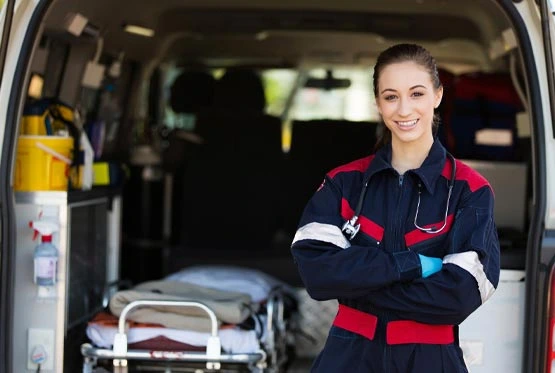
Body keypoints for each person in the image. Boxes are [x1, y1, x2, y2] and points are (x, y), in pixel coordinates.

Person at [290, 43, 500, 372]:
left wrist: (358, 286)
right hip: (348, 357)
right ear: (378, 103)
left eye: (416, 94)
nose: (404, 110)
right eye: (391, 96)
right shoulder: (342, 183)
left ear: (437, 96)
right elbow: (317, 275)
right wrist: (411, 265)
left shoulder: (470, 191)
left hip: (430, 359)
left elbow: (460, 294)